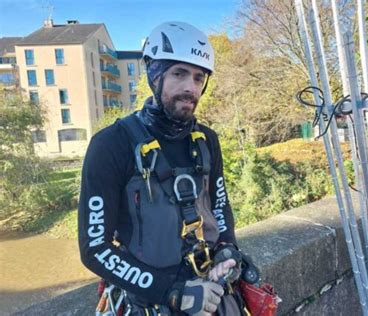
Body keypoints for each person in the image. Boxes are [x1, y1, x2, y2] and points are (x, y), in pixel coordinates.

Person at [78, 21, 244, 315]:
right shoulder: (110, 145)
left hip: (210, 293)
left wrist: (227, 249)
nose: (190, 88)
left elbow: (219, 207)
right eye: (179, 73)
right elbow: (95, 248)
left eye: (198, 77)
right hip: (148, 301)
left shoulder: (207, 140)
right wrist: (172, 292)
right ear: (155, 74)